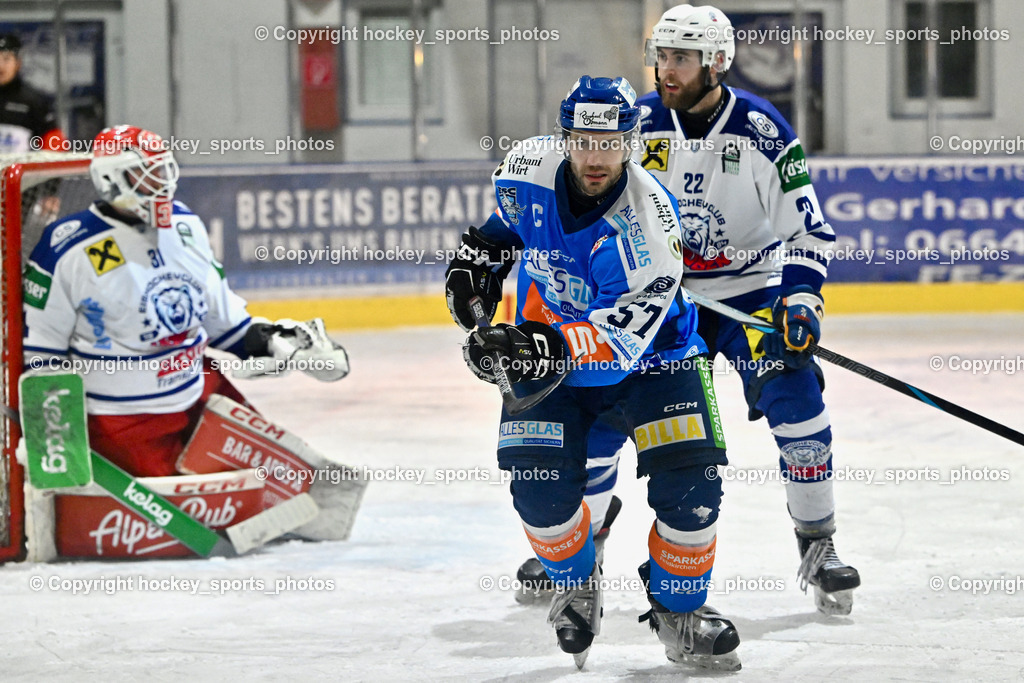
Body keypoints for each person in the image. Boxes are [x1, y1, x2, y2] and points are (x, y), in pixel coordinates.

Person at [514, 4, 860, 618]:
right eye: (662, 56)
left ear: (716, 62)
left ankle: (818, 543)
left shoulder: (761, 129)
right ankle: (580, 544)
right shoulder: (634, 126)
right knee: (601, 415)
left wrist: (802, 300)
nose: (666, 70)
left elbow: (810, 231)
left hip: (749, 294)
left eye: (681, 58)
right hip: (664, 300)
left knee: (799, 403)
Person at [446, 76, 741, 671]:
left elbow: (619, 345)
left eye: (610, 142)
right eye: (583, 140)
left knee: (694, 493)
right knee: (535, 490)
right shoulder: (527, 169)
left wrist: (532, 346)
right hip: (549, 357)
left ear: (632, 140)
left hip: (658, 362)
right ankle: (575, 582)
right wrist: (478, 264)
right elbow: (505, 232)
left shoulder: (650, 226)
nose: (596, 156)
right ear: (565, 138)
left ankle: (680, 609)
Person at [22, 125, 350, 478]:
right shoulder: (67, 247)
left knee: (278, 485)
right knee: (187, 524)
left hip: (200, 391)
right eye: (144, 176)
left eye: (162, 171)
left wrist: (278, 343)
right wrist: (48, 433)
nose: (160, 184)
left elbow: (225, 322)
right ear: (110, 180)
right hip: (122, 419)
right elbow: (41, 351)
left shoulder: (185, 225)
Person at [0, 33, 66, 153]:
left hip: (22, 170)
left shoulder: (34, 101)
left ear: (18, 63)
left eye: (6, 58)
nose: (0, 66)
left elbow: (55, 145)